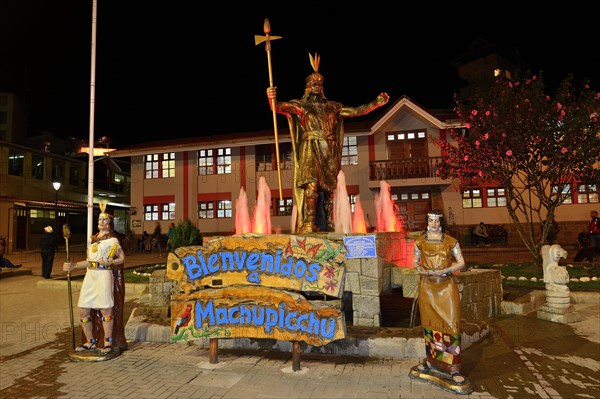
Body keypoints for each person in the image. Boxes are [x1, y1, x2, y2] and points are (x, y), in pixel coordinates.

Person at [267, 53, 389, 233]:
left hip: (328, 148)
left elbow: (355, 111)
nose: (317, 86)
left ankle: (327, 220)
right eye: (314, 83)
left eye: (320, 84)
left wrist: (375, 103)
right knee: (311, 183)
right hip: (310, 147)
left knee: (328, 188)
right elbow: (278, 107)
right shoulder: (301, 106)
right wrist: (272, 98)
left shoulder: (333, 106)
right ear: (308, 87)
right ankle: (309, 221)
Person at [410, 210, 471, 391]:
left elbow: (462, 262)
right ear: (427, 221)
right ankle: (432, 361)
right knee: (430, 326)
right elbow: (414, 261)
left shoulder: (450, 241)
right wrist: (420, 268)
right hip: (427, 288)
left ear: (441, 222)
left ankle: (453, 367)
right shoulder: (420, 241)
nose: (434, 224)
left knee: (451, 325)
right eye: (431, 220)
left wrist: (445, 270)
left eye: (437, 221)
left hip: (445, 287)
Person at [63, 202, 127, 354]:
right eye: (99, 219)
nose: (101, 222)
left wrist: (110, 261)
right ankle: (90, 341)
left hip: (104, 275)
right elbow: (89, 261)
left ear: (110, 223)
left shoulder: (113, 240)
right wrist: (74, 266)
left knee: (106, 310)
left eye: (104, 219)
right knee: (83, 311)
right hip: (90, 276)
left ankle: (107, 342)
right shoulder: (92, 240)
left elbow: (122, 258)